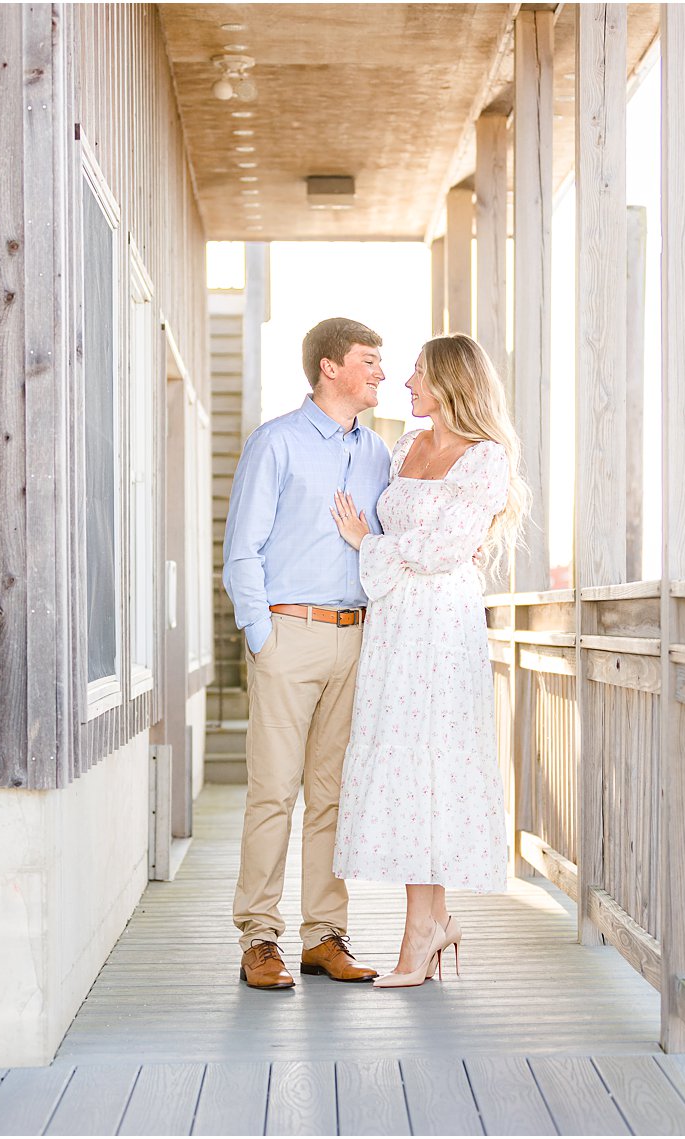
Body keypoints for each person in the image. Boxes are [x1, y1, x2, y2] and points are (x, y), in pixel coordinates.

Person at [330, 333, 527, 988]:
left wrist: (368, 544)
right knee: (407, 762)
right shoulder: (408, 449)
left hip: (442, 627)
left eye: (417, 373)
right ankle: (434, 920)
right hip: (395, 627)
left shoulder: (484, 459)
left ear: (448, 382)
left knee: (434, 762)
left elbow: (444, 549)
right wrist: (391, 552)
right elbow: (415, 543)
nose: (406, 383)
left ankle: (419, 935)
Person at [222, 317, 390, 990]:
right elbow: (242, 549)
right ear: (329, 367)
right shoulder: (278, 443)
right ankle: (259, 936)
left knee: (334, 797)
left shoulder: (380, 452)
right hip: (289, 637)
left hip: (357, 639)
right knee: (272, 794)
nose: (380, 371)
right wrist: (263, 637)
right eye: (369, 360)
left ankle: (325, 935)